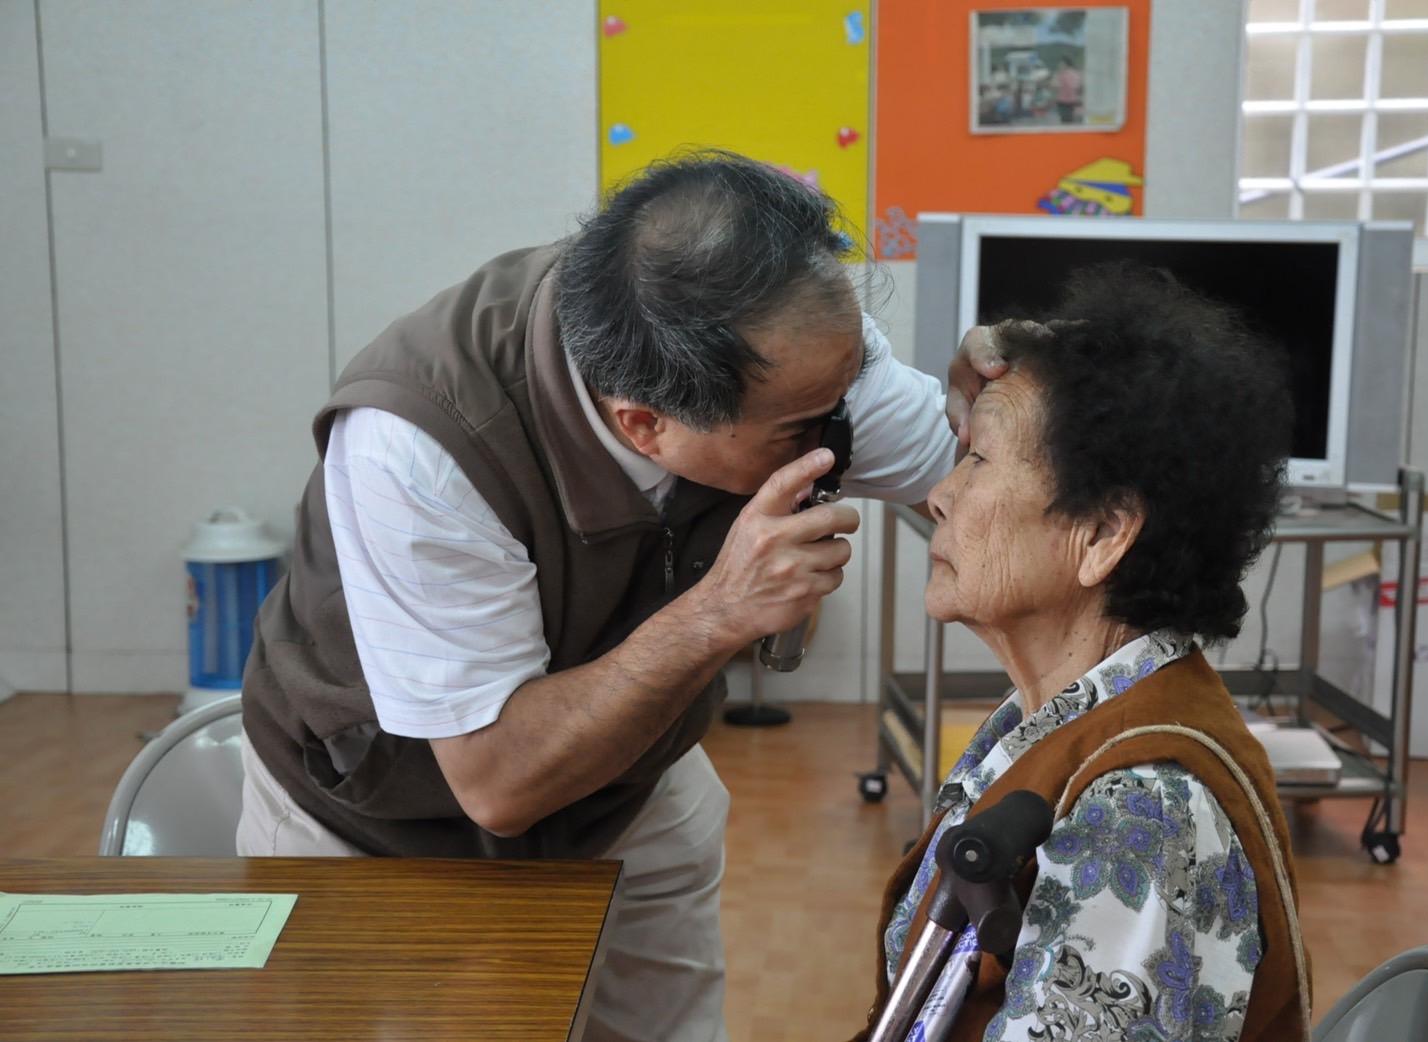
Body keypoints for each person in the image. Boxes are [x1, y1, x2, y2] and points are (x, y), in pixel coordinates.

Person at [237, 150, 969, 1042]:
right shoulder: (422, 444)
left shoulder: (803, 370)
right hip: (384, 820)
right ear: (645, 425)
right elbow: (499, 782)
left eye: (848, 382)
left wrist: (1042, 404)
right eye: (802, 427)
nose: (837, 434)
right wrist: (717, 613)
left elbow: (983, 489)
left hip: (633, 784)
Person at [857, 264, 1310, 1042]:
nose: (940, 494)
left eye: (980, 460)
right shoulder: (1060, 710)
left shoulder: (1140, 810)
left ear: (1101, 534)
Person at [1052, 55, 1082, 124]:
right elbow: (1077, 87)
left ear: (1065, 64)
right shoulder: (1075, 74)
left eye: (1061, 64)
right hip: (1072, 100)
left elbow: (1055, 85)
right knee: (1070, 119)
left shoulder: (1062, 74)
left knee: (1064, 120)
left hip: (1062, 100)